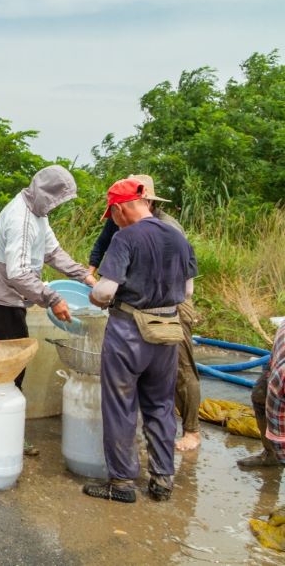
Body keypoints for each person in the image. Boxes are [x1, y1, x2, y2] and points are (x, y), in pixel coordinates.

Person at [83, 178, 197, 504]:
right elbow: (187, 291)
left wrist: (95, 295)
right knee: (161, 406)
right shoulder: (177, 237)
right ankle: (162, 480)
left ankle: (121, 483)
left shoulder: (125, 237)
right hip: (167, 331)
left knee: (121, 404)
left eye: (112, 215)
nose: (113, 221)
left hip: (129, 331)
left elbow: (105, 291)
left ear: (120, 209)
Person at [0, 165, 96, 456]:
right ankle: (1, 438)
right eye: (57, 200)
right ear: (45, 193)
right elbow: (18, 273)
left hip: (14, 303)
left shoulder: (37, 215)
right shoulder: (20, 218)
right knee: (10, 374)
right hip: (3, 304)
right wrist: (53, 298)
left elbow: (53, 252)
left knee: (13, 372)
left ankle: (4, 434)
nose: (57, 206)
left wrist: (85, 276)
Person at [237, 319, 285, 469]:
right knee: (260, 397)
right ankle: (271, 455)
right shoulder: (280, 378)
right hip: (277, 359)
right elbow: (276, 420)